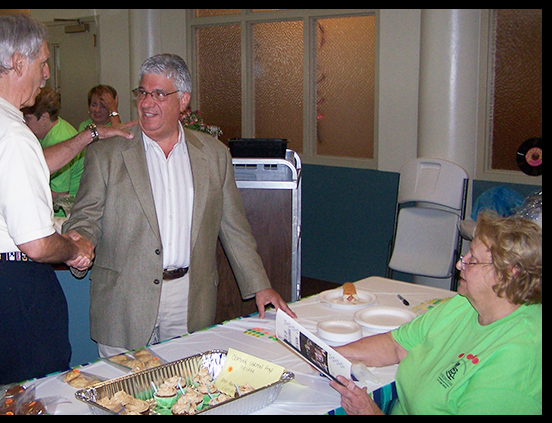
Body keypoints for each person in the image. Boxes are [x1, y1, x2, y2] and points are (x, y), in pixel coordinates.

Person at [0, 14, 133, 395]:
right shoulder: (11, 133)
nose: (46, 75)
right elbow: (38, 244)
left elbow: (25, 169)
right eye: (42, 63)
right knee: (36, 396)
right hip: (14, 291)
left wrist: (89, 136)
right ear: (16, 62)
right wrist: (75, 248)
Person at [62, 53, 297, 357]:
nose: (147, 103)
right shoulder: (106, 153)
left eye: (159, 94)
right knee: (128, 400)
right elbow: (85, 217)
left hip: (189, 298)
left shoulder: (213, 155)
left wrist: (260, 285)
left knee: (185, 395)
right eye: (143, 92)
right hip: (124, 301)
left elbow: (234, 228)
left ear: (183, 101)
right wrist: (79, 242)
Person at [330, 211, 542, 414]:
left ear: (509, 274)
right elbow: (396, 345)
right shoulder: (464, 303)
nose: (460, 264)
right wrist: (330, 355)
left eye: (473, 261)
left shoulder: (518, 359)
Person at [22, 87, 79, 209]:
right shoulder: (49, 130)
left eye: (28, 119)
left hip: (67, 210)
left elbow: (60, 195)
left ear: (44, 117)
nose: (25, 123)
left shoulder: (59, 139)